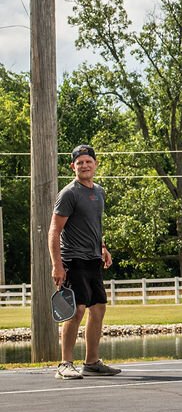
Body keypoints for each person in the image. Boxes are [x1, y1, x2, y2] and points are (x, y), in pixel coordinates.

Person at [49, 144, 121, 379]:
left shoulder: (99, 192)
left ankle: (91, 362)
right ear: (73, 167)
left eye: (88, 161)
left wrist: (102, 247)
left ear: (95, 164)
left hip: (93, 259)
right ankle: (65, 364)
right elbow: (54, 230)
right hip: (73, 259)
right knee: (76, 309)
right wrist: (57, 265)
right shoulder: (69, 193)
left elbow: (93, 225)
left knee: (98, 308)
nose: (85, 165)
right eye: (80, 162)